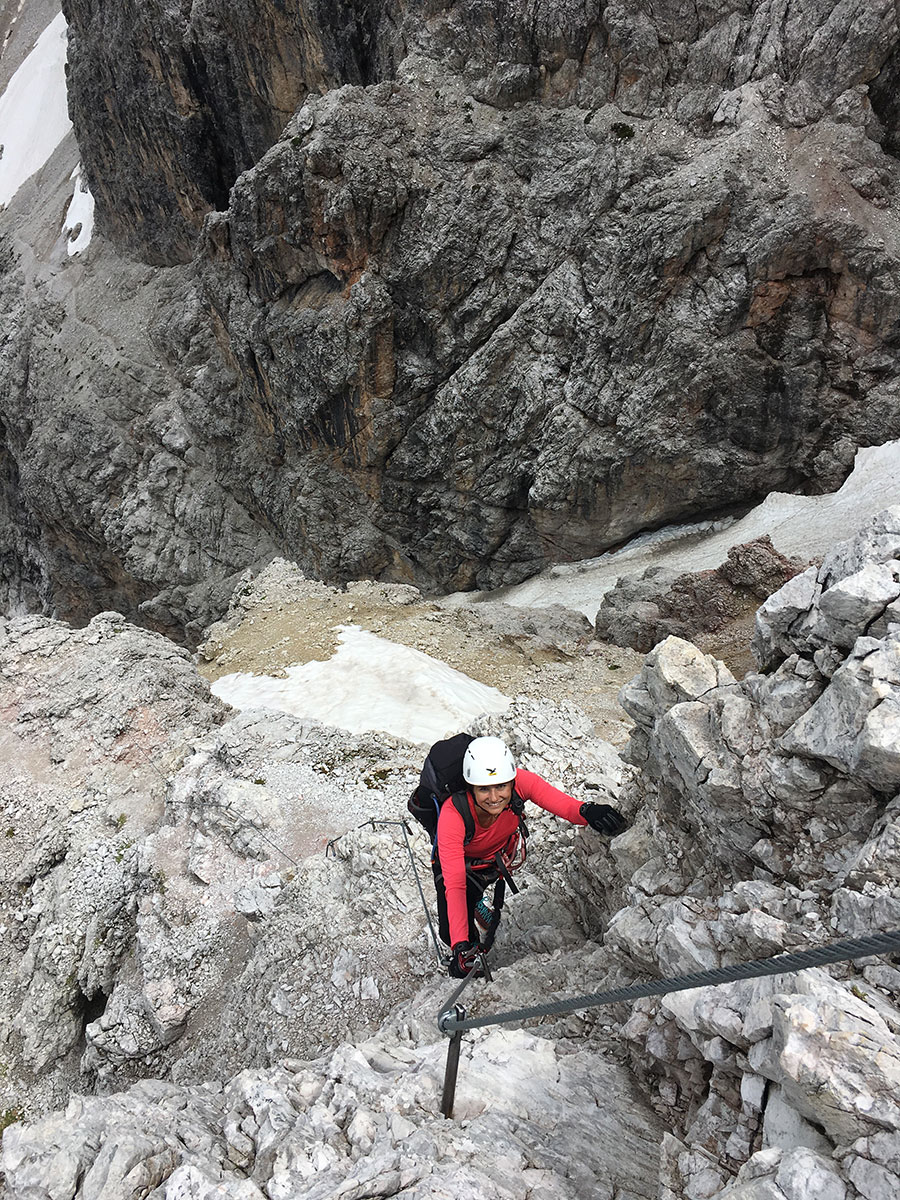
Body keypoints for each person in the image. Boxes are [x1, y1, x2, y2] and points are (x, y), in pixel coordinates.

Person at [433, 735, 626, 977]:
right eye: (484, 788)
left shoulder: (521, 782)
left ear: (511, 781)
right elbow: (456, 884)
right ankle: (473, 955)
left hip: (496, 858)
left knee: (472, 898)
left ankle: (477, 906)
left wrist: (587, 811)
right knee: (449, 931)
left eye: (501, 786)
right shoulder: (453, 814)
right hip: (463, 866)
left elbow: (561, 804)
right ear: (470, 787)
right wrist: (460, 946)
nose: (494, 797)